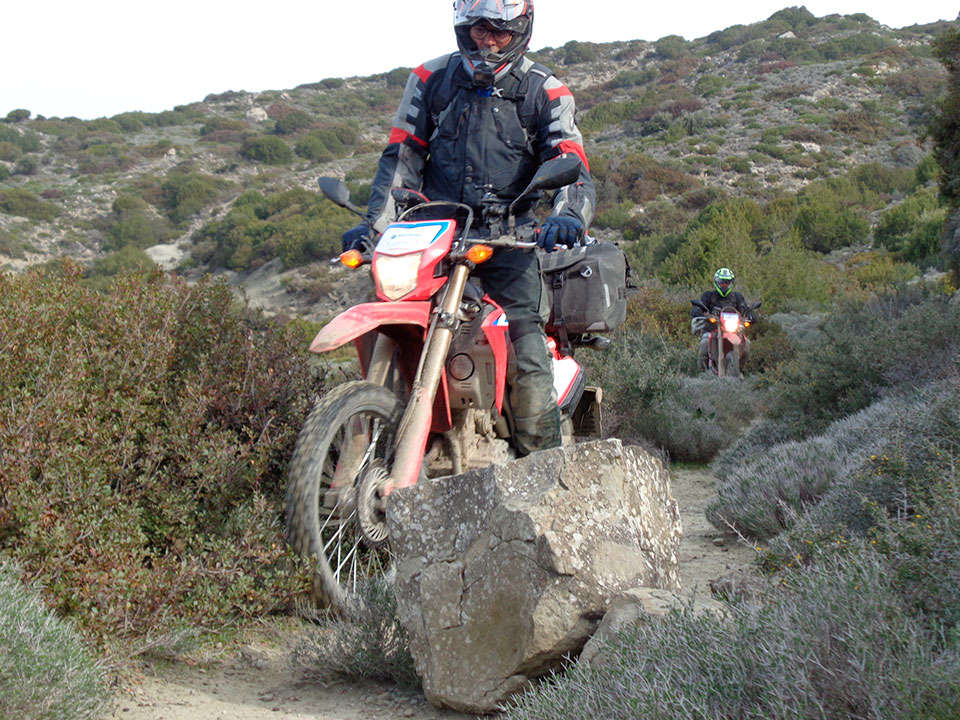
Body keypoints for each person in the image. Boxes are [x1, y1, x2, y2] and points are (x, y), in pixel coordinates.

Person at [341, 0, 595, 456]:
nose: (487, 39)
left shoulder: (547, 91)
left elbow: (570, 163)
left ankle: (547, 479)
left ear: (520, 29)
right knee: (386, 321)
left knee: (527, 354)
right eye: (478, 28)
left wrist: (568, 215)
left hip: (506, 242)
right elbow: (401, 158)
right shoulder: (430, 80)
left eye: (498, 30)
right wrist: (371, 227)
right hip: (430, 238)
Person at [691, 268, 755, 371]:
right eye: (722, 283)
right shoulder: (709, 296)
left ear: (731, 283)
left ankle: (739, 370)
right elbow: (699, 305)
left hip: (732, 329)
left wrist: (751, 315)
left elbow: (745, 308)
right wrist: (697, 311)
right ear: (716, 282)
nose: (724, 285)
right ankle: (702, 372)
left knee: (746, 344)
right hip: (713, 329)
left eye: (727, 283)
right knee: (704, 342)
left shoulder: (737, 297)